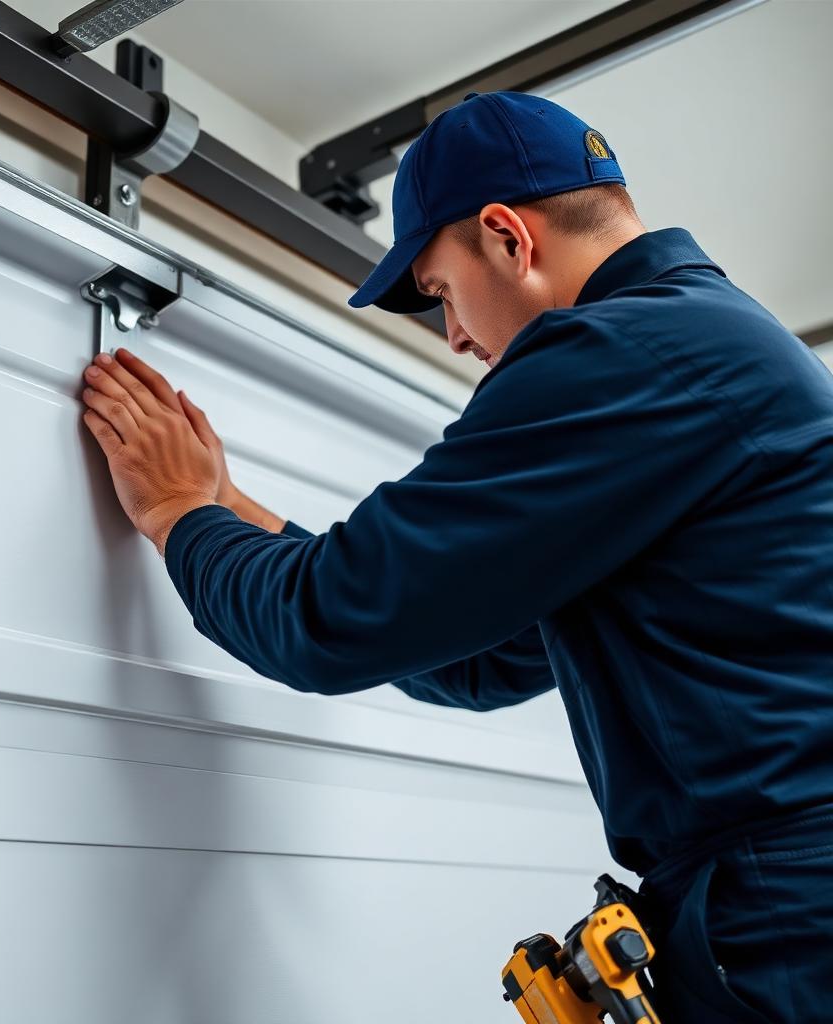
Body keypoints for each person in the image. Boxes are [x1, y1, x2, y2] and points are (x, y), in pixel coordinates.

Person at [78, 91, 833, 1021]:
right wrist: (228, 505)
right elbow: (476, 660)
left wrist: (172, 512)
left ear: (509, 237)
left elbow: (331, 625)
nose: (459, 338)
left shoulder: (625, 352)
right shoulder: (706, 347)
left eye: (440, 294)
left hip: (788, 916)